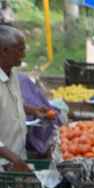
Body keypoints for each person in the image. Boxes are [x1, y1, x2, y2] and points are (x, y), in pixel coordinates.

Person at [0, 25, 54, 171]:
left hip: (15, 158)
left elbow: (10, 104)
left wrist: (33, 110)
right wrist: (15, 159)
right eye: (20, 49)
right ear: (4, 51)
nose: (23, 55)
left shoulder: (12, 74)